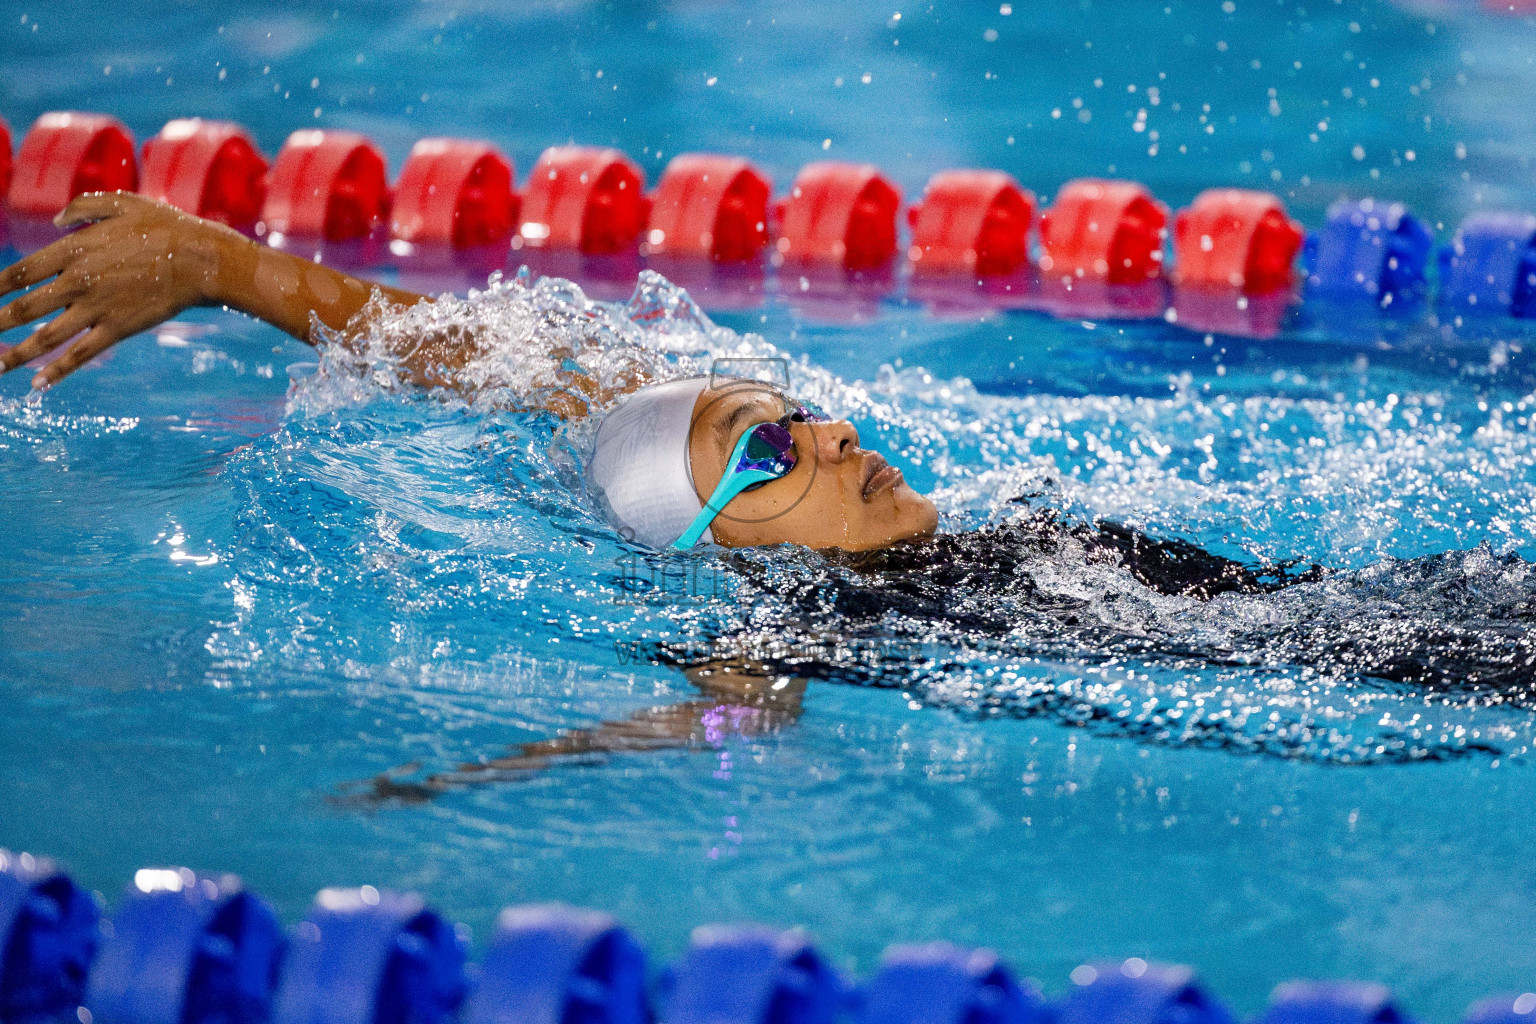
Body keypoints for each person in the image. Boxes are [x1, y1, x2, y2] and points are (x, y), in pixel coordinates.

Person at [7, 195, 1525, 799]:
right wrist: (472, 785)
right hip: (1417, 665)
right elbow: (723, 710)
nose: (826, 436)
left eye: (795, 415)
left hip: (1388, 605)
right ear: (722, 543)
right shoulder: (803, 605)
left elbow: (547, 374)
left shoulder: (811, 511)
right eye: (767, 458)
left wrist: (236, 272)